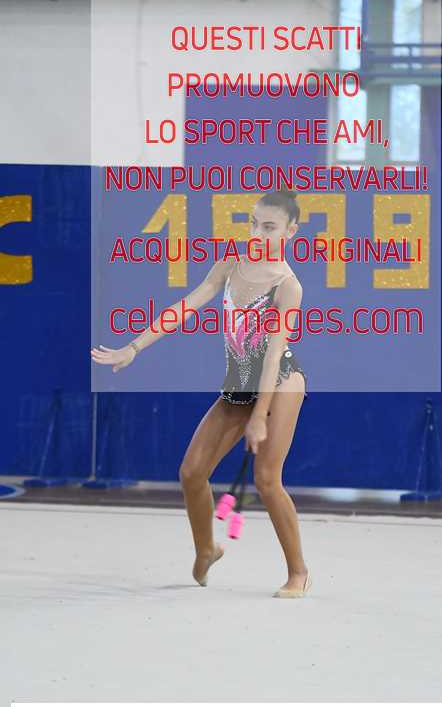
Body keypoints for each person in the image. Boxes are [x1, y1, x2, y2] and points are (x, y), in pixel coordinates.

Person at [91, 188, 311, 598]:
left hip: (280, 381)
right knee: (192, 472)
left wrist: (260, 417)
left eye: (270, 227)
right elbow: (187, 305)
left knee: (266, 479)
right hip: (239, 383)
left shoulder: (287, 286)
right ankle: (208, 548)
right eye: (254, 224)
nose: (258, 234)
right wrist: (135, 346)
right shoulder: (231, 263)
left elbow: (273, 353)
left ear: (290, 232)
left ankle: (298, 572)